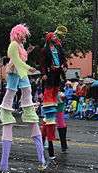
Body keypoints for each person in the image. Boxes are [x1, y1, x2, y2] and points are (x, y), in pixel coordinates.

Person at [0, 24, 46, 173]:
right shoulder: (13, 45)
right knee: (11, 91)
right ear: (17, 34)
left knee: (27, 90)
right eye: (23, 34)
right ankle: (6, 110)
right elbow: (17, 62)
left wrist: (29, 53)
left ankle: (28, 109)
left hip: (22, 72)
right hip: (15, 72)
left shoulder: (19, 45)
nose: (25, 37)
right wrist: (29, 68)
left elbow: (22, 58)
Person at [40, 26, 68, 160]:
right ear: (49, 38)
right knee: (49, 118)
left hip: (57, 80)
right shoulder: (45, 50)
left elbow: (63, 58)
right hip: (50, 81)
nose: (56, 38)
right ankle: (47, 143)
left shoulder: (58, 48)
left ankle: (62, 145)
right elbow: (43, 64)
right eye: (54, 37)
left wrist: (64, 66)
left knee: (56, 116)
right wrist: (44, 73)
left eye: (56, 37)